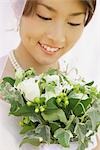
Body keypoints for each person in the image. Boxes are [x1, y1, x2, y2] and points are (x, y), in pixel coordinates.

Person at [0, 0, 99, 149]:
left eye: (73, 23)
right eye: (44, 16)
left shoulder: (84, 97)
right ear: (17, 7)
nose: (57, 37)